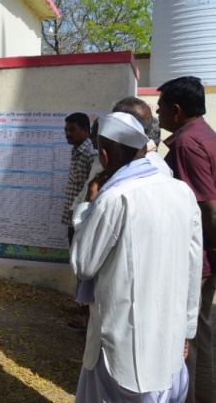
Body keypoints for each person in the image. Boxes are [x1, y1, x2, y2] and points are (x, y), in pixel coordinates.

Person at [71, 112, 202, 402]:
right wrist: (187, 329)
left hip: (122, 347)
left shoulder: (115, 198)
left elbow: (83, 263)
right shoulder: (182, 192)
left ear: (104, 154)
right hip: (168, 340)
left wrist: (87, 206)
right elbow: (193, 268)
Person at [156, 76, 216, 403]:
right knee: (203, 335)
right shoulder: (207, 135)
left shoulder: (186, 144)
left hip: (200, 260)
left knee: (185, 338)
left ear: (176, 110)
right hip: (208, 256)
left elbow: (208, 207)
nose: (157, 110)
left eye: (161, 105)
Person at [62, 112, 97, 245]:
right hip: (73, 219)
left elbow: (96, 189)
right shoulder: (76, 151)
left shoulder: (91, 153)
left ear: (85, 130)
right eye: (66, 130)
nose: (68, 133)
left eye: (72, 130)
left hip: (84, 220)